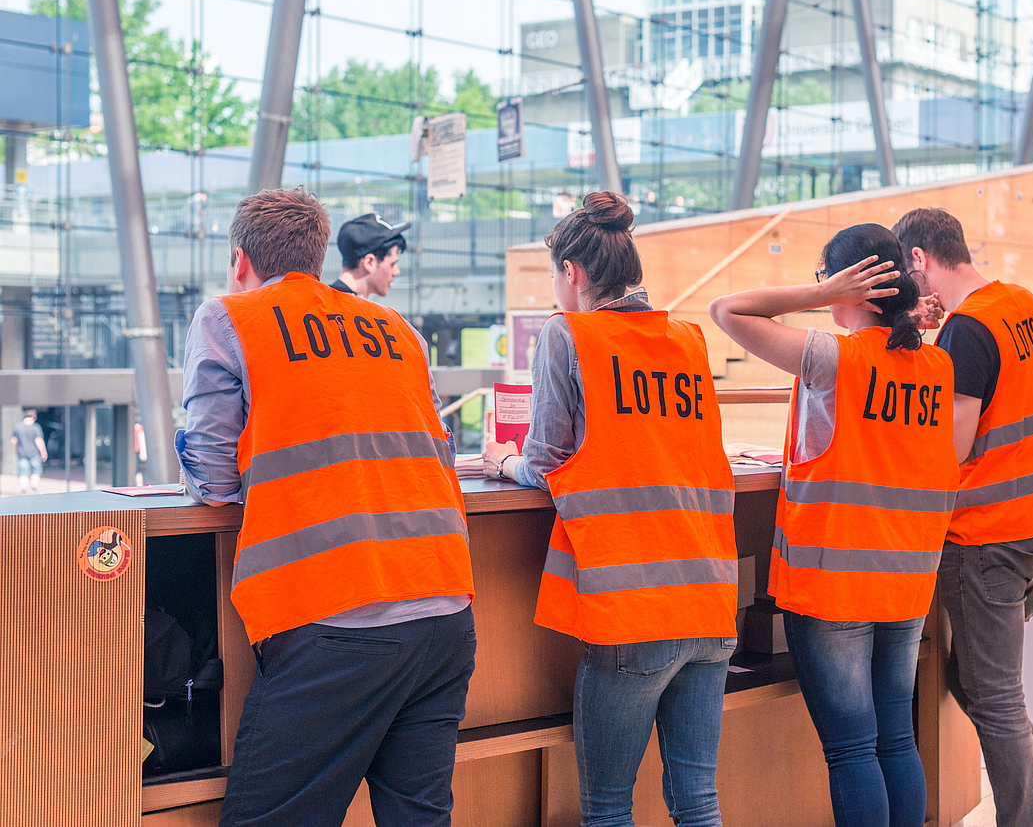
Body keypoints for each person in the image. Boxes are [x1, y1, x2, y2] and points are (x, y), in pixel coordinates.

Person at [176, 187, 475, 827]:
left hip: (335, 619)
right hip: (445, 611)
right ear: (316, 256)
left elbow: (211, 475)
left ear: (240, 262)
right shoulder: (398, 330)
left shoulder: (230, 319)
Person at [482, 191, 739, 827]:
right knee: (698, 804)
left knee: (606, 812)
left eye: (553, 276)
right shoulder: (686, 338)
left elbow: (544, 465)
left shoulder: (568, 334)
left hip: (632, 608)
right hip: (709, 598)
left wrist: (499, 462)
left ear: (573, 272)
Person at [708, 223, 960, 827]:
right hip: (906, 584)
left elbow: (727, 310)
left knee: (852, 749)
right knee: (896, 739)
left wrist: (823, 296)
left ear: (852, 286)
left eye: (829, 279)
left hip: (835, 587)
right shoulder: (939, 367)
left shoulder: (833, 357)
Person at [892, 207, 1033, 827]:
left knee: (993, 696)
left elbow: (949, 447)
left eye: (905, 271)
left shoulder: (967, 332)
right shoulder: (1017, 302)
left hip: (986, 535)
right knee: (979, 685)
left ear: (920, 260)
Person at [331, 212, 410, 299]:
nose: (397, 272)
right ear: (369, 262)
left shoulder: (324, 301)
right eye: (392, 264)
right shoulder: (355, 310)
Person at [11, 408, 47, 495]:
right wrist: (43, 452)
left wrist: (15, 451)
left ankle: (23, 490)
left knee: (23, 472)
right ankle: (33, 488)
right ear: (34, 417)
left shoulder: (18, 427)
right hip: (34, 453)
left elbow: (14, 441)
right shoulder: (35, 427)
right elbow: (38, 441)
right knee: (36, 471)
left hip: (21, 453)